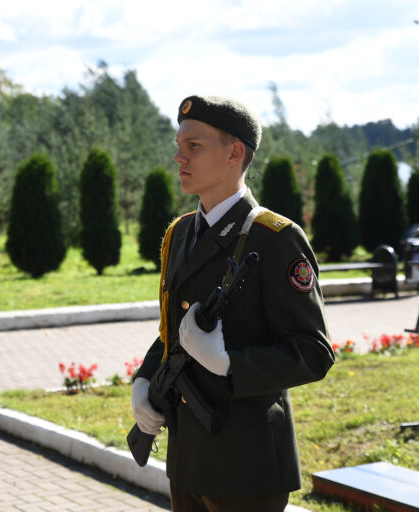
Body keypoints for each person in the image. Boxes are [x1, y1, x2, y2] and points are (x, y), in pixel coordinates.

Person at [131, 95, 335, 512]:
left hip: (247, 463)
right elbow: (174, 332)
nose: (178, 156)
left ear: (234, 152)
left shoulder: (274, 238)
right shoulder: (180, 234)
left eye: (194, 146)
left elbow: (314, 352)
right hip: (186, 458)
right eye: (179, 144)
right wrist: (145, 379)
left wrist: (230, 365)